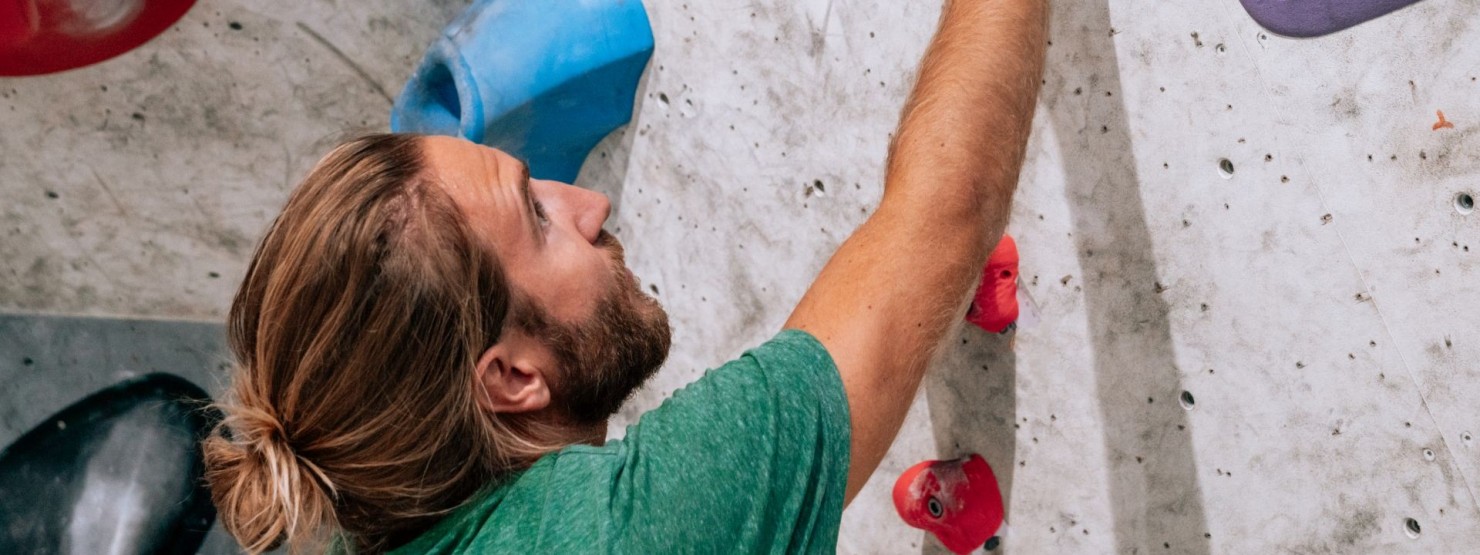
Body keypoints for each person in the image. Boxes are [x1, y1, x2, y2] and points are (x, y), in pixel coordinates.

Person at [203, 0, 1048, 552]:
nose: (590, 203)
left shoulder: (381, 511)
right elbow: (947, 209)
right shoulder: (634, 533)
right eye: (537, 217)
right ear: (509, 375)